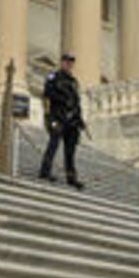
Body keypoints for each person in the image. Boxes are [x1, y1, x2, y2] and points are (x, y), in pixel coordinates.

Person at [39, 53, 84, 190]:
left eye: (71, 62)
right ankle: (45, 171)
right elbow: (47, 94)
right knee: (53, 145)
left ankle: (71, 177)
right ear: (62, 62)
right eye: (67, 62)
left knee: (70, 151)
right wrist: (49, 116)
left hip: (71, 121)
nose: (69, 64)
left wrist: (80, 119)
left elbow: (77, 102)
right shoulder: (53, 77)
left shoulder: (74, 82)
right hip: (58, 117)